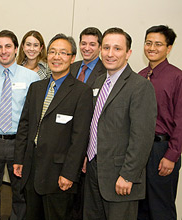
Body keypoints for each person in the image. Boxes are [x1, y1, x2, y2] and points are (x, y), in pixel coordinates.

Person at [13, 33, 93, 220]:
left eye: (63, 53)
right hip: (31, 169)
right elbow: (24, 125)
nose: (57, 57)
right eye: (53, 52)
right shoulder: (36, 88)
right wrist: (19, 158)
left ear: (72, 58)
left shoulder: (82, 92)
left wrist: (69, 174)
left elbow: (80, 138)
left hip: (59, 174)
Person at [83, 27, 157, 220]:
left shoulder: (140, 86)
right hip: (93, 169)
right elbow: (95, 123)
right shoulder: (99, 82)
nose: (110, 54)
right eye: (106, 48)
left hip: (120, 175)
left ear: (128, 53)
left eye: (117, 48)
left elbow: (142, 137)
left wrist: (128, 175)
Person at [0, 30, 39, 220]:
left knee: (20, 191)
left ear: (16, 48)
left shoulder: (31, 78)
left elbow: (34, 115)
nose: (4, 51)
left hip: (19, 143)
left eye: (8, 46)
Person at [138, 25, 182, 220]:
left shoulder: (177, 77)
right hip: (139, 150)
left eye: (158, 44)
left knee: (161, 209)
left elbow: (181, 120)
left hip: (161, 150)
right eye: (148, 43)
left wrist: (171, 155)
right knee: (140, 208)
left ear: (169, 48)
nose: (152, 48)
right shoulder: (139, 76)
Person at [70, 27, 106, 220]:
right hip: (67, 139)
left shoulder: (105, 72)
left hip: (89, 143)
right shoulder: (72, 67)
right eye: (83, 43)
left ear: (99, 47)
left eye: (92, 44)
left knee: (84, 199)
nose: (87, 48)